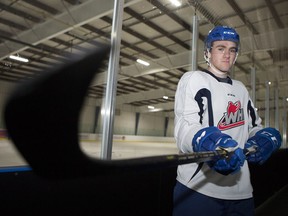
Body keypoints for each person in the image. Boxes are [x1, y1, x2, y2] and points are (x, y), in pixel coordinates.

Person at [173, 26, 282, 216]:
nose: (227, 55)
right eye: (221, 48)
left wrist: (263, 137)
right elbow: (184, 127)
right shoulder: (194, 79)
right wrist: (209, 142)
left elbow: (252, 127)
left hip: (241, 192)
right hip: (199, 190)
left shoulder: (241, 89)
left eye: (232, 50)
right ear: (207, 52)